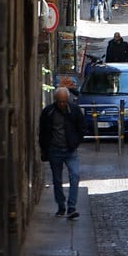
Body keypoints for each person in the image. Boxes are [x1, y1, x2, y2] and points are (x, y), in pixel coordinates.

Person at [38, 87, 85, 219]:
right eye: (59, 102)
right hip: (54, 150)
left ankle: (71, 207)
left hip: (70, 150)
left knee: (75, 176)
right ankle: (61, 206)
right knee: (57, 180)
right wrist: (44, 148)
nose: (62, 104)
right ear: (55, 101)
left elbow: (82, 128)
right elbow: (43, 132)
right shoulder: (48, 112)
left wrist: (75, 143)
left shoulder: (74, 110)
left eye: (64, 101)